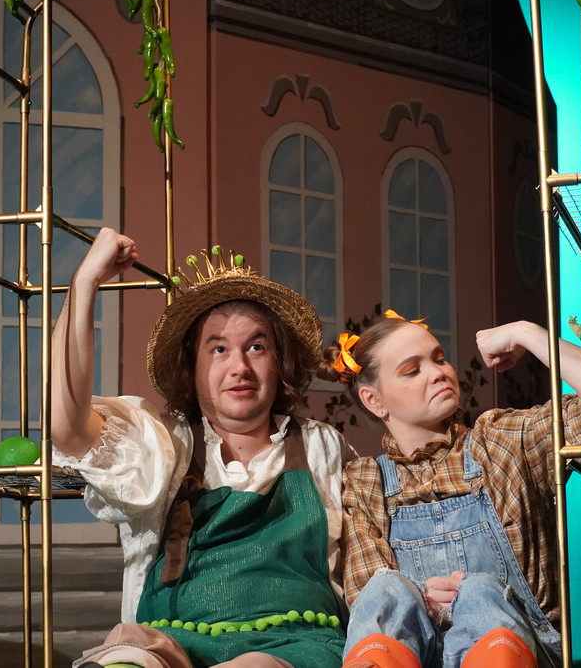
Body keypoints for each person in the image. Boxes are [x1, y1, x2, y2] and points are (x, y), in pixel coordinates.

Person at [51, 228, 357, 668]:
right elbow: (67, 429)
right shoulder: (165, 444)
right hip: (169, 642)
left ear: (280, 362)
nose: (239, 366)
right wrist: (84, 282)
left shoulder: (322, 447)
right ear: (191, 366)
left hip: (296, 644)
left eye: (256, 347)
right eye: (218, 349)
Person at [318, 312, 581, 668]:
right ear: (373, 400)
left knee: (480, 592)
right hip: (416, 659)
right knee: (386, 589)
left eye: (439, 358)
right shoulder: (365, 482)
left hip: (521, 652)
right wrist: (426, 601)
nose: (438, 372)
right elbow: (373, 603)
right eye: (412, 370)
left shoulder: (500, 444)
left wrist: (528, 332)